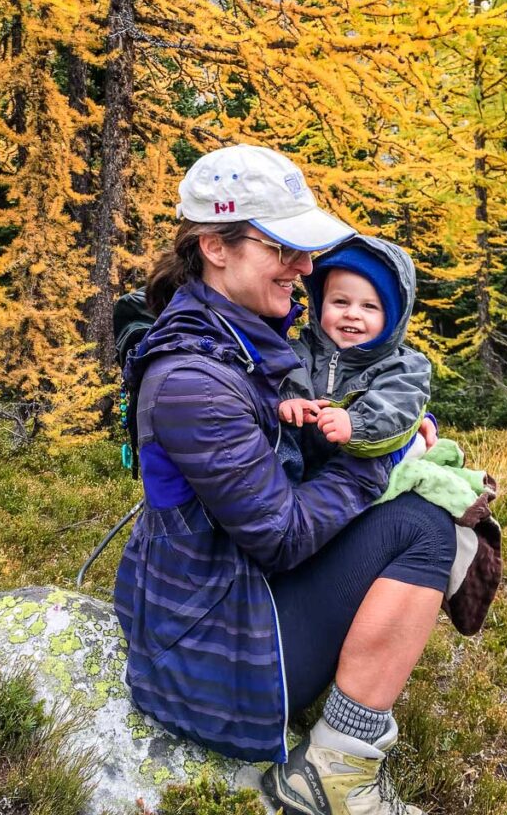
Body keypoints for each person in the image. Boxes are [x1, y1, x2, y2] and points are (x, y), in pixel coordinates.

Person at [113, 144, 458, 815]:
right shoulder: (194, 380)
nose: (305, 269)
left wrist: (376, 424)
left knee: (421, 507)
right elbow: (282, 535)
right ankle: (335, 775)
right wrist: (381, 457)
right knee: (424, 529)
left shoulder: (242, 338)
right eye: (285, 249)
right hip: (213, 651)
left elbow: (293, 460)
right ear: (217, 247)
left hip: (221, 597)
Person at [278, 235, 435, 478]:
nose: (352, 314)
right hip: (303, 480)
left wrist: (356, 424)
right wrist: (289, 400)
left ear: (392, 317)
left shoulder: (404, 366)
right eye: (340, 302)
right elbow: (281, 374)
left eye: (369, 306)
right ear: (320, 306)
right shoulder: (299, 348)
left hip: (363, 479)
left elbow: (397, 406)